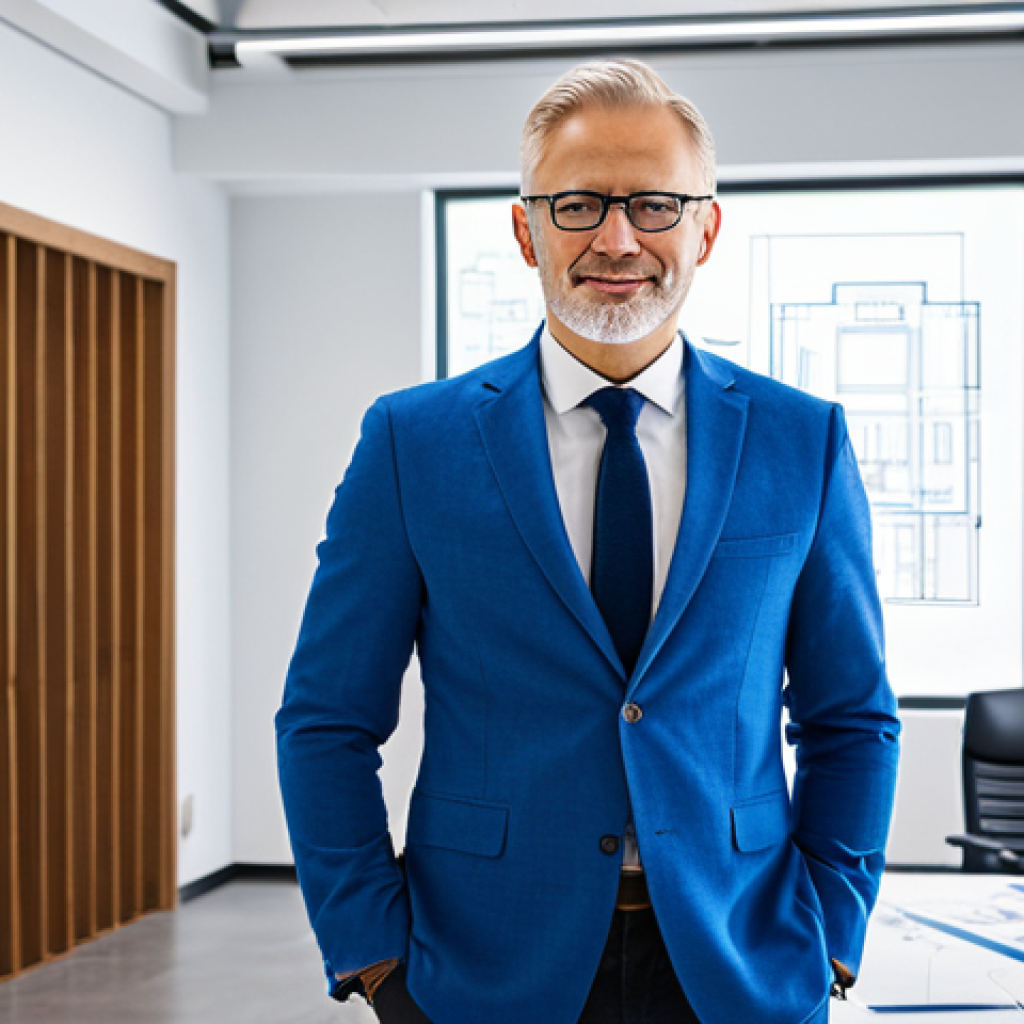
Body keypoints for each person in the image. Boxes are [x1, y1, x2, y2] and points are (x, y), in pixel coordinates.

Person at [276, 58, 901, 1024]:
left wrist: (832, 940)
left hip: (740, 962)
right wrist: (372, 960)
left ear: (707, 227)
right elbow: (325, 720)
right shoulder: (413, 442)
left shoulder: (800, 440)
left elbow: (851, 717)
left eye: (655, 204)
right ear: (526, 229)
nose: (617, 238)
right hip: (481, 964)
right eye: (578, 204)